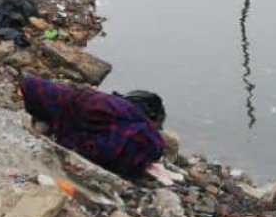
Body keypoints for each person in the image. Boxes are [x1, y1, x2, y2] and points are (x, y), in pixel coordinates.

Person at [17, 74, 165, 179]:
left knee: (111, 145)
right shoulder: (72, 98)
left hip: (129, 149)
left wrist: (61, 139)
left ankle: (137, 156)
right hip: (148, 142)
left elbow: (96, 145)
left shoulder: (78, 104)